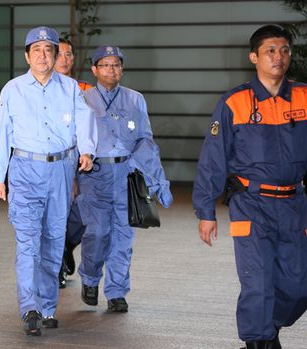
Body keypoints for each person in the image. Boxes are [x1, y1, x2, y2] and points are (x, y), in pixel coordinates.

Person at [193, 24, 307, 349]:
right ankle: (258, 340)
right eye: (271, 50)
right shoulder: (234, 103)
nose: (279, 57)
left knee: (300, 285)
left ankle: (266, 326)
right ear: (254, 57)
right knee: (258, 282)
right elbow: (213, 159)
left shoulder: (304, 96)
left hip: (296, 205)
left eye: (285, 50)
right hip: (251, 204)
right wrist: (206, 211)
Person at [0, 26, 97, 336]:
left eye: (48, 50)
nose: (43, 55)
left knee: (52, 242)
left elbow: (84, 120)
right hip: (24, 169)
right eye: (36, 50)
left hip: (60, 171)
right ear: (26, 56)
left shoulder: (71, 88)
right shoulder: (12, 90)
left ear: (55, 56)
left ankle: (48, 307)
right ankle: (30, 308)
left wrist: (87, 150)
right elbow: (2, 134)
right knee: (28, 243)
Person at [77, 45, 172, 313]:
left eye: (116, 64)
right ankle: (90, 277)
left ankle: (117, 290)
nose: (112, 69)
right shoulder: (82, 99)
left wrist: (157, 180)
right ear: (94, 69)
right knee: (97, 232)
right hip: (94, 175)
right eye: (105, 65)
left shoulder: (135, 99)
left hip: (126, 175)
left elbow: (145, 139)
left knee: (123, 236)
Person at [53, 37, 93, 288]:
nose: (65, 59)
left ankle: (66, 246)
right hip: (54, 163)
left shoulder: (86, 89)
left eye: (69, 54)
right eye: (60, 54)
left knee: (84, 213)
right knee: (55, 214)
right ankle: (55, 265)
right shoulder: (41, 90)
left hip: (83, 162)